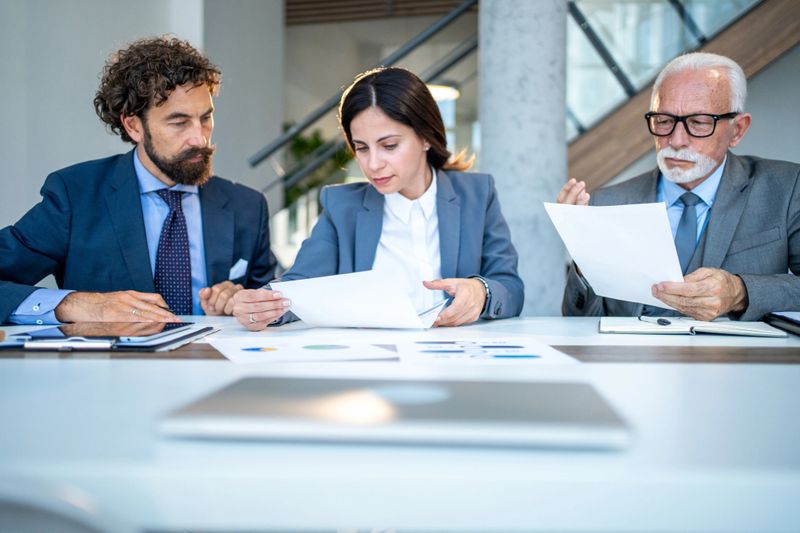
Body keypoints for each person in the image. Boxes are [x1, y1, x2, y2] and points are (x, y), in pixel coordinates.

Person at [0, 36, 277, 325]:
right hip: (111, 369)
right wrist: (72, 304)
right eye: (179, 122)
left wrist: (248, 303)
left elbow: (276, 302)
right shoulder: (75, 196)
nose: (200, 138)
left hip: (220, 366)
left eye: (206, 118)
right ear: (133, 125)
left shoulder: (248, 206)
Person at [232, 67, 524, 330]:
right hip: (372, 361)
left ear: (425, 137)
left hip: (456, 358)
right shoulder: (341, 206)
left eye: (389, 145)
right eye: (361, 148)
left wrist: (481, 291)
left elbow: (510, 288)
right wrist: (262, 305)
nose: (373, 164)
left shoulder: (477, 195)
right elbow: (300, 287)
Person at [558, 52, 799, 321]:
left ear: (738, 130)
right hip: (633, 361)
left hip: (736, 361)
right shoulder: (606, 202)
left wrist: (740, 291)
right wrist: (584, 259)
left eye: (697, 123)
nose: (676, 139)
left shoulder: (786, 188)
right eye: (664, 121)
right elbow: (578, 322)